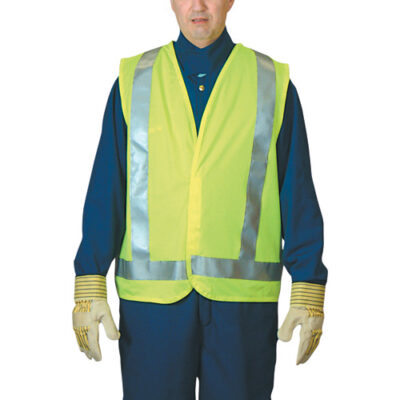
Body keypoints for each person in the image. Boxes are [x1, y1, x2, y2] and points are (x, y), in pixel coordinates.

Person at [72, 0, 328, 399]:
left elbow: (296, 191)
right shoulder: (134, 80)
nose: (198, 5)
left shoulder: (270, 83)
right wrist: (89, 280)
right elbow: (108, 187)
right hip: (152, 308)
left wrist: (308, 284)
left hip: (242, 308)